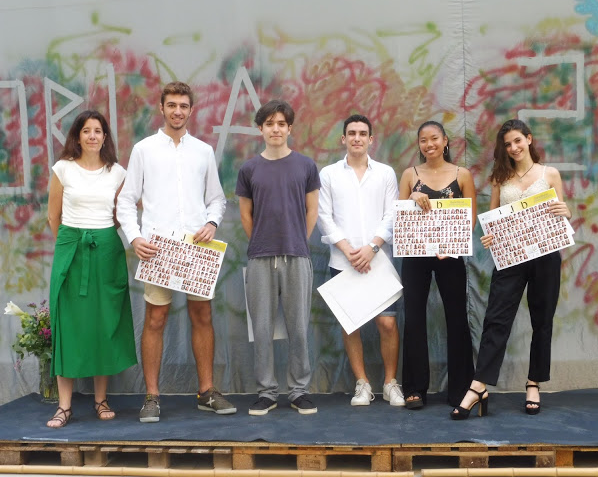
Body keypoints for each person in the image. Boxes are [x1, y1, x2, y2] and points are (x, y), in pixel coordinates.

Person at [117, 81, 236, 422]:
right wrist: (135, 238)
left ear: (191, 110)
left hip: (197, 247)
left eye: (183, 105)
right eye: (172, 105)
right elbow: (126, 200)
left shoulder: (203, 151)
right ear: (162, 107)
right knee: (155, 319)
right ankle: (152, 396)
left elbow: (217, 199)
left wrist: (211, 223)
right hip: (158, 248)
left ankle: (206, 391)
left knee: (202, 316)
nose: (178, 111)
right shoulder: (143, 149)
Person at [451, 119, 571, 419]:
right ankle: (478, 386)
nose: (514, 147)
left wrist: (566, 210)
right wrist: (489, 235)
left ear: (529, 139)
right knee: (496, 320)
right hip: (510, 257)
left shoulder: (550, 174)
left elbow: (561, 212)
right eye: (508, 144)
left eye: (518, 140)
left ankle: (534, 383)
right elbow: (492, 218)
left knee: (542, 321)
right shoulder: (500, 178)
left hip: (546, 255)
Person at [46, 110, 137, 427]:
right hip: (71, 248)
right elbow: (53, 216)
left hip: (107, 250)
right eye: (86, 130)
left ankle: (101, 400)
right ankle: (64, 406)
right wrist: (71, 246)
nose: (92, 136)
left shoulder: (118, 173)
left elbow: (121, 215)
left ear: (105, 136)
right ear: (77, 135)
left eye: (98, 131)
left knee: (104, 322)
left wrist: (100, 237)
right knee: (67, 325)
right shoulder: (62, 169)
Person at [236, 100, 320, 415]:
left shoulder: (306, 166)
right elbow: (245, 214)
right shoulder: (249, 169)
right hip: (260, 258)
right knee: (262, 328)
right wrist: (262, 240)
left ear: (289, 128)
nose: (276, 129)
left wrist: (298, 238)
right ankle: (267, 392)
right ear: (261, 128)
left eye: (281, 124)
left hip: (297, 256)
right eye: (269, 124)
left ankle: (299, 391)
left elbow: (312, 210)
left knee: (299, 327)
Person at [317, 114, 404, 406]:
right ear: (344, 138)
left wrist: (372, 248)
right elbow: (324, 216)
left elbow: (392, 214)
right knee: (350, 324)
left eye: (362, 133)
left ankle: (390, 383)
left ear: (371, 139)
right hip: (343, 262)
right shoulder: (329, 174)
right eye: (352, 133)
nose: (357, 138)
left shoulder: (385, 173)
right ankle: (362, 384)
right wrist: (348, 250)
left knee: (387, 323)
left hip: (379, 260)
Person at [399, 121, 476, 410]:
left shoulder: (462, 174)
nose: (429, 144)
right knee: (414, 318)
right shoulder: (410, 175)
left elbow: (470, 218)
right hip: (415, 255)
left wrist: (452, 246)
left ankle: (461, 388)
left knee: (457, 318)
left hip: (450, 255)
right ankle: (414, 388)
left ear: (445, 141)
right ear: (418, 144)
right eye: (423, 140)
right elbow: (400, 216)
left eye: (434, 138)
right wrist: (412, 196)